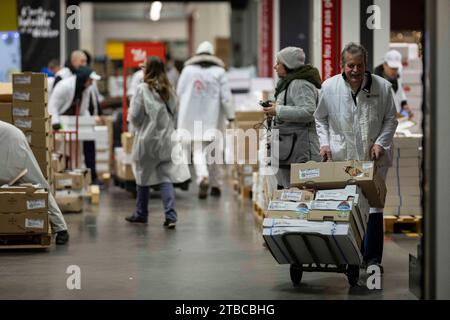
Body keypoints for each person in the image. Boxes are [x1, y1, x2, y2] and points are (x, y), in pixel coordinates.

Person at [314, 42, 398, 271]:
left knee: (373, 206)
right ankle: (350, 256)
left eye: (359, 65)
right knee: (347, 205)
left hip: (373, 158)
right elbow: (320, 118)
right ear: (342, 65)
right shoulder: (329, 87)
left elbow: (391, 119)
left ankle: (372, 260)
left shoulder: (382, 87)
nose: (355, 70)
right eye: (350, 65)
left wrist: (381, 143)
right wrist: (324, 144)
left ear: (366, 65)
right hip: (343, 157)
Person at [125, 56, 190, 227]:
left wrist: (140, 126)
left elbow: (135, 117)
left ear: (147, 70)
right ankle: (171, 216)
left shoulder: (142, 89)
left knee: (143, 176)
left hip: (148, 139)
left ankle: (141, 213)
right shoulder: (170, 89)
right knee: (165, 177)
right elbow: (175, 113)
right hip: (167, 139)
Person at [176, 41, 234, 199]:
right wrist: (231, 116)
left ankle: (203, 177)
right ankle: (216, 185)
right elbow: (226, 98)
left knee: (198, 151)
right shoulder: (219, 72)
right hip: (213, 119)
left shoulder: (187, 71)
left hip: (191, 119)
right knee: (215, 153)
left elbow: (179, 93)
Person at [0, 121, 69, 244]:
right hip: (12, 139)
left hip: (10, 144)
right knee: (37, 183)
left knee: (37, 184)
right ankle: (61, 228)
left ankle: (61, 229)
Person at [262, 47, 321, 188]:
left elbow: (308, 111)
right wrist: (275, 107)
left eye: (278, 63)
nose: (275, 67)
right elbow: (295, 106)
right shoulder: (288, 83)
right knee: (288, 188)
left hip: (300, 148)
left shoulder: (299, 84)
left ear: (288, 65)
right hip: (289, 146)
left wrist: (279, 110)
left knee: (299, 190)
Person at [48, 66, 103, 185]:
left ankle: (73, 180)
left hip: (72, 123)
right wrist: (56, 123)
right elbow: (53, 105)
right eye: (90, 80)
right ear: (84, 79)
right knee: (61, 152)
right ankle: (60, 179)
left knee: (75, 153)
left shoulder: (85, 89)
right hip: (60, 121)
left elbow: (84, 109)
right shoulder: (64, 86)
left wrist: (90, 121)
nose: (92, 83)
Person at [374, 49, 414, 118]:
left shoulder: (397, 76)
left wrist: (404, 105)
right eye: (392, 68)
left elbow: (400, 93)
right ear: (385, 65)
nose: (395, 71)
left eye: (396, 68)